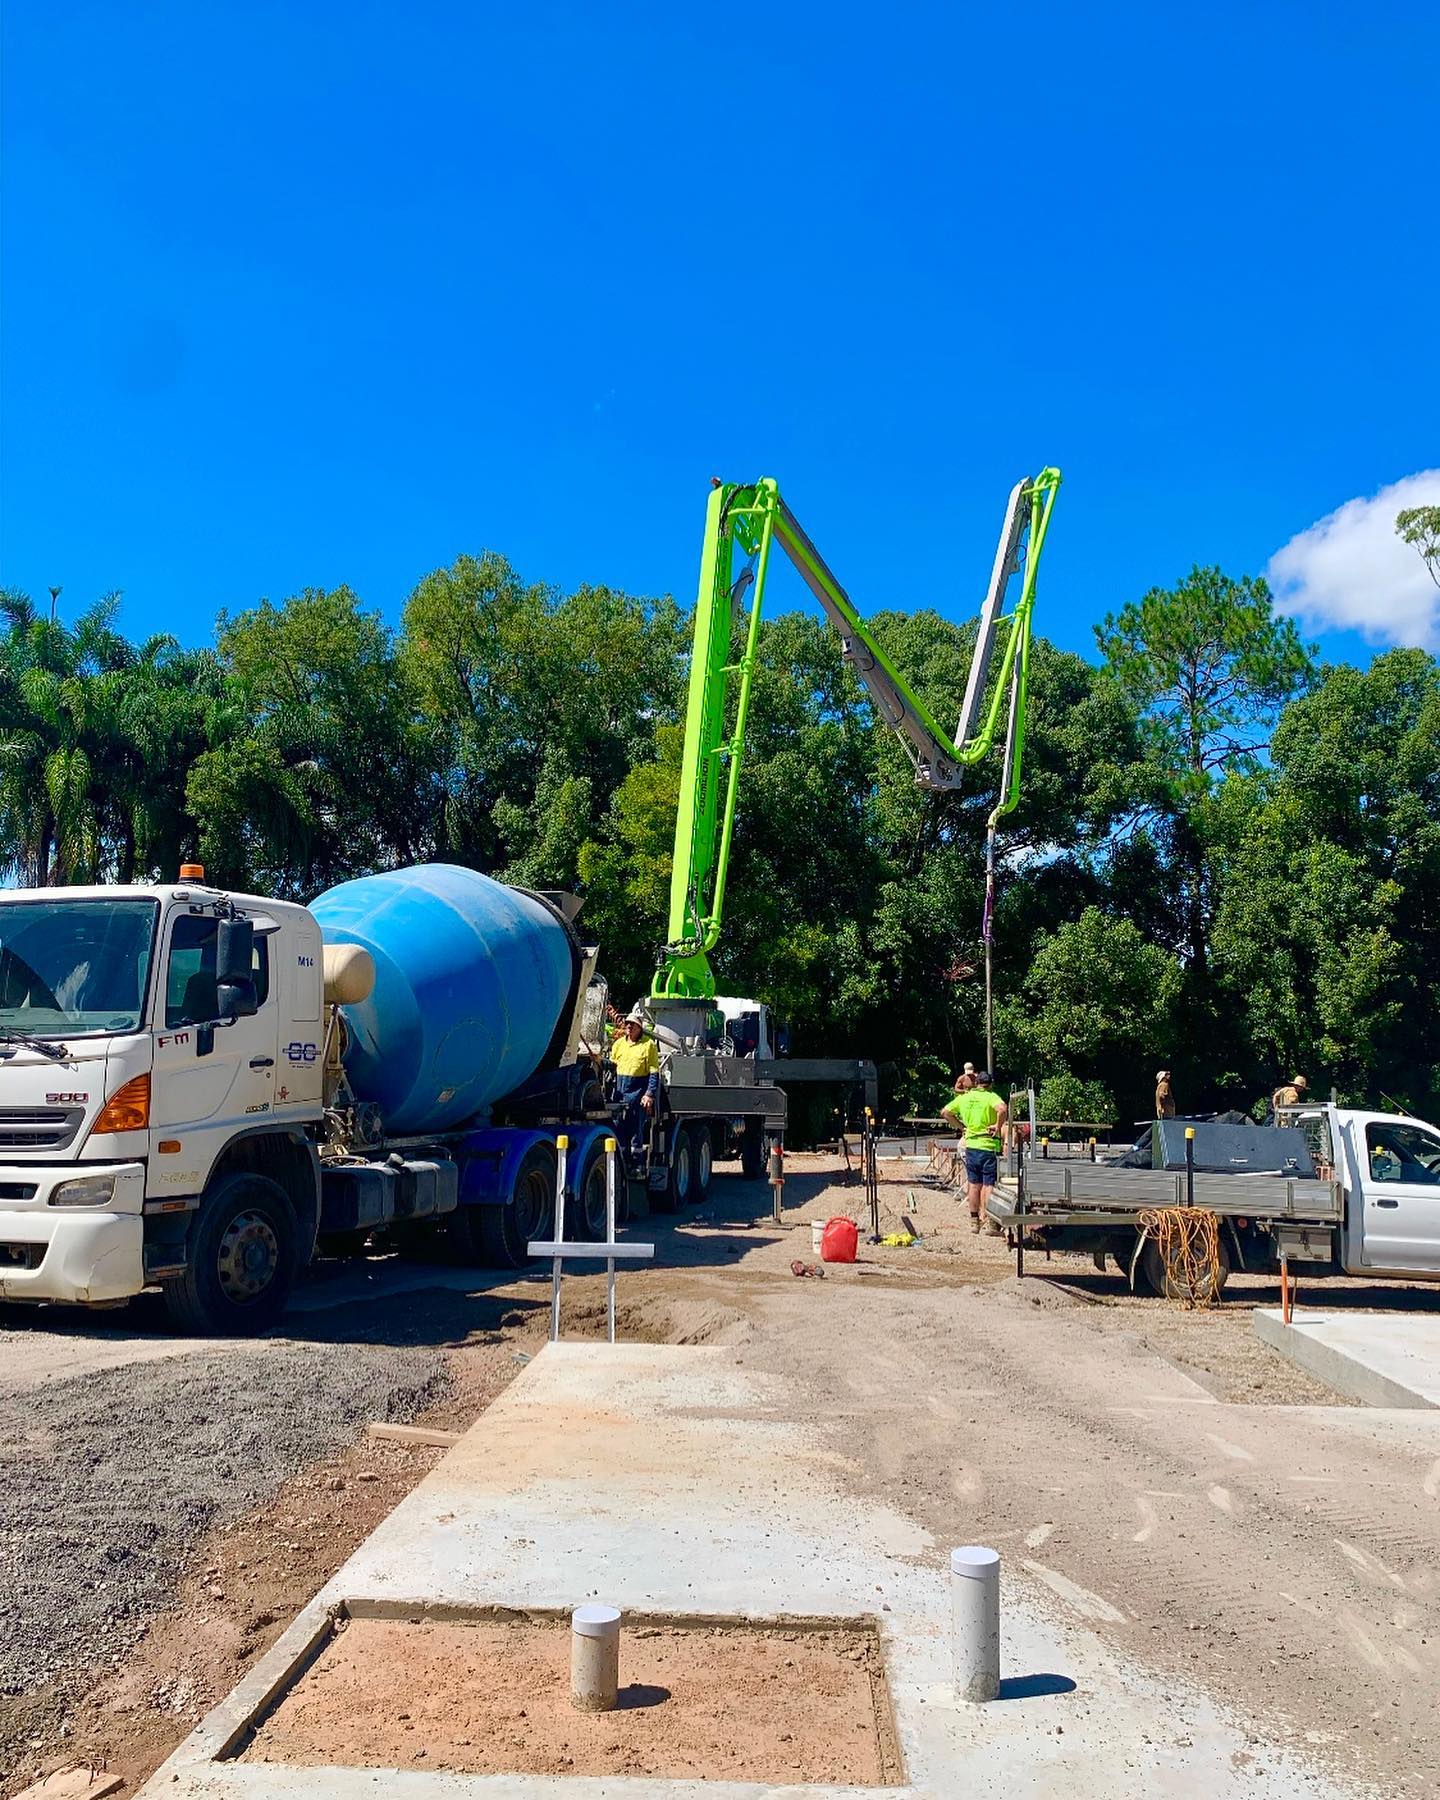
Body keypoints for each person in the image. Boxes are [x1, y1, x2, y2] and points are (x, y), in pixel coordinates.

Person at [942, 1070, 1009, 1234]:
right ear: (990, 1084)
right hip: (988, 1146)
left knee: (973, 1184)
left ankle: (974, 1222)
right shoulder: (991, 1096)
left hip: (971, 1146)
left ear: (976, 1083)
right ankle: (988, 1221)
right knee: (988, 1185)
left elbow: (945, 1112)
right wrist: (997, 1126)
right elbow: (1002, 1109)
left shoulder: (965, 1098)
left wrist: (961, 1127)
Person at [610, 1005, 660, 1161]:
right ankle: (621, 1159)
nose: (629, 1027)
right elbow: (611, 1067)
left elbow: (653, 1072)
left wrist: (649, 1094)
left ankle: (636, 1161)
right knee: (618, 1126)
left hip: (637, 1092)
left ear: (640, 1028)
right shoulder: (618, 1044)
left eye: (633, 1025)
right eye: (628, 1024)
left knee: (635, 1128)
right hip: (620, 1092)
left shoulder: (648, 1045)